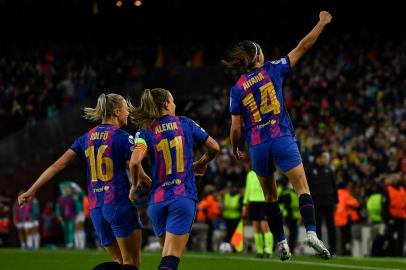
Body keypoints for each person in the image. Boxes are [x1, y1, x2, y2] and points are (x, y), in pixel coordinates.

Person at [224, 11, 333, 260]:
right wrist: (321, 23)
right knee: (301, 187)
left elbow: (235, 128)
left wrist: (234, 147)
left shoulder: (237, 88)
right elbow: (302, 46)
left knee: (270, 196)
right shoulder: (273, 69)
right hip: (281, 136)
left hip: (257, 144)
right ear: (259, 56)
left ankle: (282, 243)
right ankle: (312, 233)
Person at [18, 93, 143, 270]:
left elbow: (56, 165)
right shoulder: (123, 137)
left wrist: (32, 190)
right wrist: (147, 183)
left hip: (96, 209)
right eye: (125, 108)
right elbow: (135, 166)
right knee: (132, 263)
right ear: (116, 111)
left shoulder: (86, 137)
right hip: (118, 203)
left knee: (119, 261)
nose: (128, 112)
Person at [129, 88, 220, 270]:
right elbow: (215, 148)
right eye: (173, 101)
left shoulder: (145, 131)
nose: (175, 104)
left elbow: (134, 161)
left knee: (167, 257)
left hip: (157, 202)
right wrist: (201, 162)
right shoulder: (185, 123)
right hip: (182, 196)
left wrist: (137, 180)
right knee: (171, 258)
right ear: (166, 104)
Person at [306, 150, 338, 255]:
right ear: (318, 158)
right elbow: (307, 187)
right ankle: (319, 250)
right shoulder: (310, 170)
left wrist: (336, 201)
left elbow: (334, 186)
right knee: (317, 227)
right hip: (316, 203)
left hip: (329, 202)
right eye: (323, 157)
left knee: (331, 227)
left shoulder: (329, 170)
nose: (325, 159)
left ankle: (333, 250)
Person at [243, 169, 274, 258]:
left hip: (263, 201)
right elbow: (248, 189)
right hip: (253, 202)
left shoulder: (265, 172)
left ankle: (269, 250)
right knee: (256, 227)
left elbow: (271, 186)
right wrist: (245, 203)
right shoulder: (250, 174)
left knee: (265, 226)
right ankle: (260, 251)